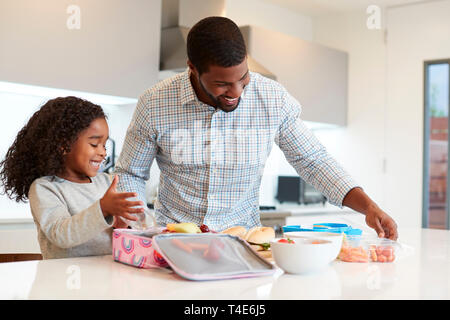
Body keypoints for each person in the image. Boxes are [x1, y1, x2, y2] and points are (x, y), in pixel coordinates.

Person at [115, 16, 398, 240]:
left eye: (243, 77)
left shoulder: (272, 99)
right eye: (222, 84)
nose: (236, 91)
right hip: (173, 241)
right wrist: (139, 226)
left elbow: (313, 160)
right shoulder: (154, 103)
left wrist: (369, 206)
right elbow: (130, 172)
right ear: (192, 68)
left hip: (244, 244)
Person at [0, 96, 145, 259]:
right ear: (64, 145)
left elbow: (120, 242)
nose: (103, 152)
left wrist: (121, 228)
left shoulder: (106, 182)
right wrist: (103, 208)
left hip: (106, 276)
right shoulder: (46, 188)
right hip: (64, 280)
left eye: (104, 145)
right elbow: (61, 235)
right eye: (94, 144)